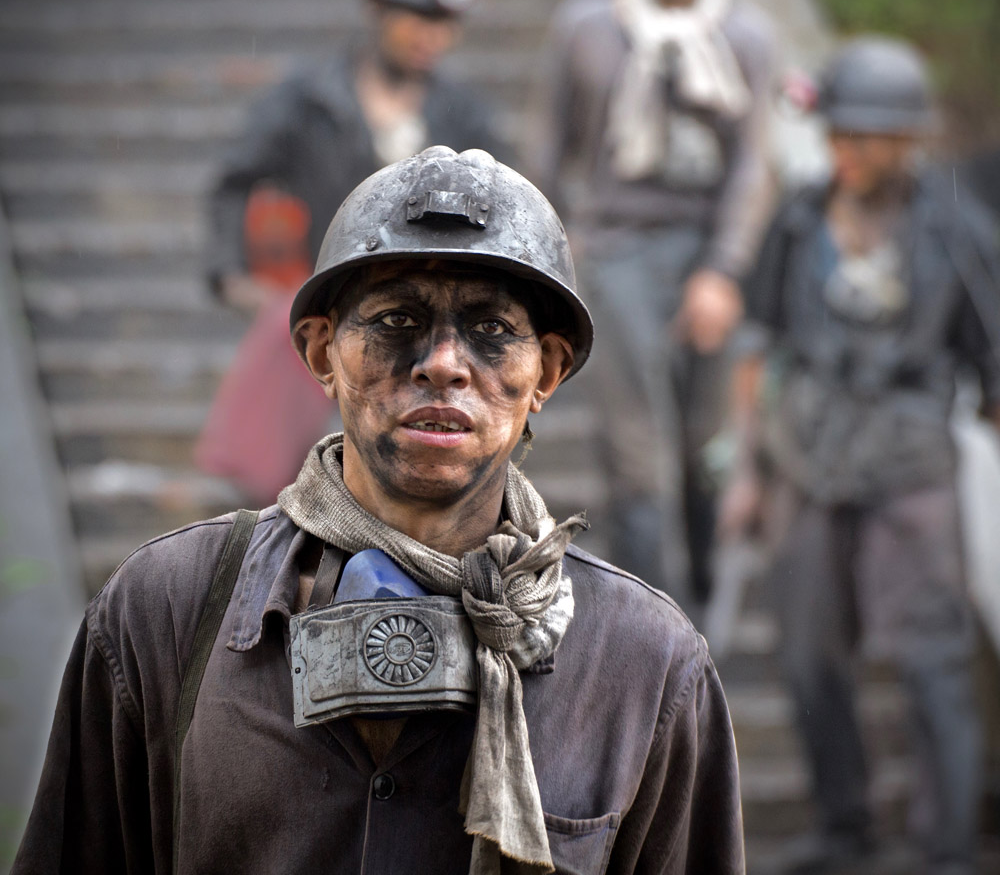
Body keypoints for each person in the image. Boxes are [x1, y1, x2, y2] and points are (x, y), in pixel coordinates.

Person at [13, 147, 745, 874]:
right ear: (322, 352)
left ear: (546, 371)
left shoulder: (644, 665)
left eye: (491, 329)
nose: (444, 363)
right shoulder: (163, 612)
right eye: (397, 319)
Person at [721, 37, 999, 874]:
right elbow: (755, 343)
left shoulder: (956, 232)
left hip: (910, 472)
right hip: (805, 463)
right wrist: (744, 468)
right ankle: (844, 827)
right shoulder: (800, 218)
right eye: (836, 133)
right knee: (809, 656)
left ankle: (947, 847)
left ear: (907, 140)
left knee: (933, 659)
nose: (845, 151)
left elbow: (991, 367)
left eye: (865, 137)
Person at [523, 0, 776, 606]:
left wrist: (725, 270)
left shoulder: (746, 37)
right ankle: (650, 626)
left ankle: (697, 610)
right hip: (616, 249)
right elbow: (545, 151)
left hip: (706, 253)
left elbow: (755, 165)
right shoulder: (586, 25)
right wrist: (557, 252)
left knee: (706, 451)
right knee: (639, 458)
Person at [196, 0, 507, 504]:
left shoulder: (465, 116)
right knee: (276, 467)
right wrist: (232, 274)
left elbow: (506, 210)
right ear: (380, 9)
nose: (430, 35)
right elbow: (235, 178)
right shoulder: (312, 98)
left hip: (434, 318)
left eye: (445, 22)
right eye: (418, 15)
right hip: (332, 301)